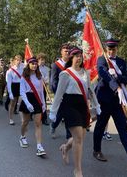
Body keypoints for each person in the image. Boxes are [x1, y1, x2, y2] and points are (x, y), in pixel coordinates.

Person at [93, 38, 127, 170]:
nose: (111, 51)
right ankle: (97, 150)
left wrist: (117, 78)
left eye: (114, 49)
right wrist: (113, 83)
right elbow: (102, 72)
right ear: (106, 49)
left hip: (117, 101)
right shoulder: (102, 59)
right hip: (104, 99)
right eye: (109, 49)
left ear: (117, 49)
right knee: (100, 126)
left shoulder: (121, 62)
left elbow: (126, 77)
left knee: (123, 129)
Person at [49, 47, 101, 177]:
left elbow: (90, 90)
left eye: (80, 56)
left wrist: (96, 105)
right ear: (71, 58)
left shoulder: (86, 73)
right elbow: (59, 94)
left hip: (82, 105)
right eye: (76, 56)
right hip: (69, 105)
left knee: (81, 136)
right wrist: (53, 111)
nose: (79, 58)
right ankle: (78, 170)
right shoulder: (65, 74)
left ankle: (65, 147)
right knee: (78, 137)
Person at [19, 57, 46, 156]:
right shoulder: (24, 76)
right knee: (25, 122)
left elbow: (41, 91)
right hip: (28, 99)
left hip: (37, 100)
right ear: (28, 65)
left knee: (38, 123)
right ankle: (22, 137)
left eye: (35, 64)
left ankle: (39, 146)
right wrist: (27, 103)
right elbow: (22, 91)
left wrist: (43, 103)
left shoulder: (39, 76)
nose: (34, 65)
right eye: (32, 64)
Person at [50, 43, 71, 139]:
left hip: (70, 93)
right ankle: (53, 126)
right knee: (60, 114)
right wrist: (58, 94)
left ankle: (69, 136)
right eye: (65, 50)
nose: (67, 52)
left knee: (68, 114)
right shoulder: (56, 65)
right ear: (61, 52)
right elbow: (53, 82)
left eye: (68, 50)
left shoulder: (71, 64)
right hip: (61, 94)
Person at [6, 55, 24, 125]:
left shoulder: (23, 68)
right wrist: (10, 92)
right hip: (14, 86)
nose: (19, 61)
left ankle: (22, 118)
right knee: (13, 103)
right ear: (14, 60)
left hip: (21, 85)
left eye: (20, 60)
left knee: (21, 102)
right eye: (17, 60)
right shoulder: (10, 71)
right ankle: (11, 119)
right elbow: (9, 83)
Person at [37, 52, 50, 125]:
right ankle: (34, 114)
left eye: (43, 60)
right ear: (38, 60)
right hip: (35, 87)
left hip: (43, 86)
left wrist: (44, 81)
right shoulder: (35, 68)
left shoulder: (46, 69)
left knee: (43, 102)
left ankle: (44, 118)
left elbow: (47, 78)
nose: (43, 61)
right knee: (36, 101)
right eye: (41, 59)